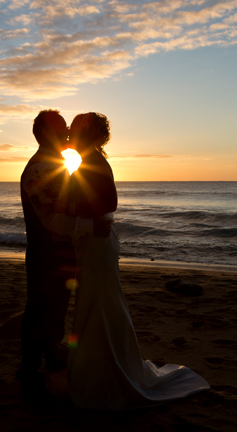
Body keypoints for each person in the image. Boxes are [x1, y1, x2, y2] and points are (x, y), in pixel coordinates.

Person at [66, 112, 210, 409]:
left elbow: (109, 202)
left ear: (89, 132)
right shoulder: (89, 160)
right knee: (97, 307)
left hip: (97, 244)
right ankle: (99, 373)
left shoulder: (92, 161)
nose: (69, 129)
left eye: (75, 125)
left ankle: (105, 379)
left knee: (99, 308)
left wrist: (78, 213)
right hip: (94, 242)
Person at [16, 110, 110, 402]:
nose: (68, 134)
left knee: (55, 310)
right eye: (62, 129)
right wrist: (92, 226)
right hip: (47, 254)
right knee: (40, 311)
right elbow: (51, 218)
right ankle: (28, 373)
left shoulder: (53, 164)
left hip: (59, 253)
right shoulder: (39, 170)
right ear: (45, 134)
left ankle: (53, 356)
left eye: (68, 128)